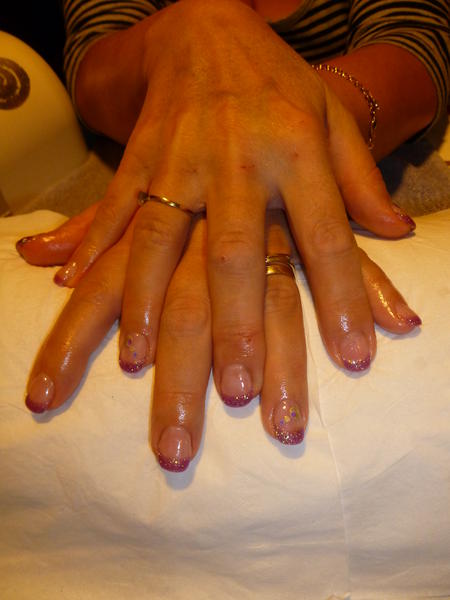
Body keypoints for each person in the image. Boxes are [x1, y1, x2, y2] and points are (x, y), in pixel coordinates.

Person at [17, 0, 449, 471]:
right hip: (149, 179)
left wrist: (279, 130)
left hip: (351, 159)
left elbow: (415, 41)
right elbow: (91, 71)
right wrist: (189, 33)